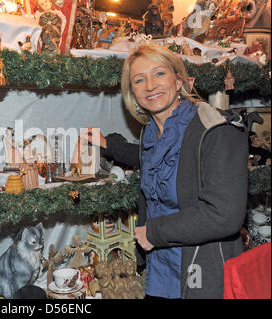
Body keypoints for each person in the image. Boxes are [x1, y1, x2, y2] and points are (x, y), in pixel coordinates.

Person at [80, 45, 248, 299]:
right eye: (139, 80)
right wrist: (107, 144)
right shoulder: (151, 132)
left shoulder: (215, 130)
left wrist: (154, 233)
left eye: (159, 74)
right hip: (161, 268)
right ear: (133, 93)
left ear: (178, 79)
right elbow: (146, 157)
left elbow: (224, 215)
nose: (150, 86)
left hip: (201, 270)